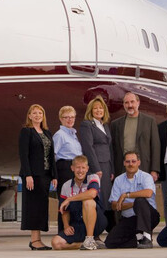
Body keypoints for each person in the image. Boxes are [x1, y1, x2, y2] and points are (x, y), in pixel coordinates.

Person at [18, 104, 57, 250]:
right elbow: (24, 155)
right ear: (29, 115)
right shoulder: (26, 132)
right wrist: (28, 175)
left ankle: (38, 239)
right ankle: (35, 240)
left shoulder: (47, 133)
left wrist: (54, 175)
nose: (37, 115)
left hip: (45, 175)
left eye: (40, 113)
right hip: (33, 175)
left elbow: (51, 155)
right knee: (34, 207)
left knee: (42, 207)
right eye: (34, 113)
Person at [105, 151, 160, 249]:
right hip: (130, 219)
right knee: (110, 243)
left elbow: (148, 193)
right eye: (128, 161)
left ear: (139, 162)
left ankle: (146, 237)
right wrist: (133, 204)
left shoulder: (146, 176)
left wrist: (126, 195)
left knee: (140, 200)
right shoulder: (118, 180)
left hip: (149, 217)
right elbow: (114, 205)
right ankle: (138, 240)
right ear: (124, 163)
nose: (130, 164)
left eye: (133, 161)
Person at [51, 155, 107, 250]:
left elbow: (93, 193)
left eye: (83, 167)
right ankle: (84, 244)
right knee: (56, 243)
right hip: (78, 224)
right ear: (72, 168)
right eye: (77, 167)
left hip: (97, 222)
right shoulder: (66, 185)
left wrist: (69, 199)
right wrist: (66, 226)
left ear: (87, 168)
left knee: (88, 201)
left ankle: (89, 239)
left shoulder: (93, 177)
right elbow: (64, 210)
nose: (80, 171)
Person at [79, 95, 115, 231]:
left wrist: (111, 169)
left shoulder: (105, 125)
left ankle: (107, 225)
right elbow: (88, 147)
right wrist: (96, 168)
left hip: (106, 165)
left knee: (107, 196)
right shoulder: (87, 124)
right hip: (97, 165)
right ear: (91, 110)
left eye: (101, 108)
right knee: (98, 196)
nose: (98, 110)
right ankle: (96, 228)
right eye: (95, 108)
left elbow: (109, 147)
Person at [111, 92, 160, 182]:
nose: (130, 105)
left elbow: (155, 146)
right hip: (122, 168)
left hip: (143, 167)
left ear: (138, 103)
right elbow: (113, 148)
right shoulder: (116, 124)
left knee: (141, 194)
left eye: (132, 102)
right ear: (123, 104)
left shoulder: (149, 121)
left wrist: (154, 170)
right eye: (126, 102)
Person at [53, 106, 83, 231]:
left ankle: (74, 229)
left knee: (74, 200)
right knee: (65, 200)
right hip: (64, 169)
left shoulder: (73, 135)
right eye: (66, 117)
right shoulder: (60, 135)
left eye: (72, 117)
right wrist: (54, 174)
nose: (69, 120)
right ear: (61, 119)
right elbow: (52, 155)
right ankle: (62, 229)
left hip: (75, 168)